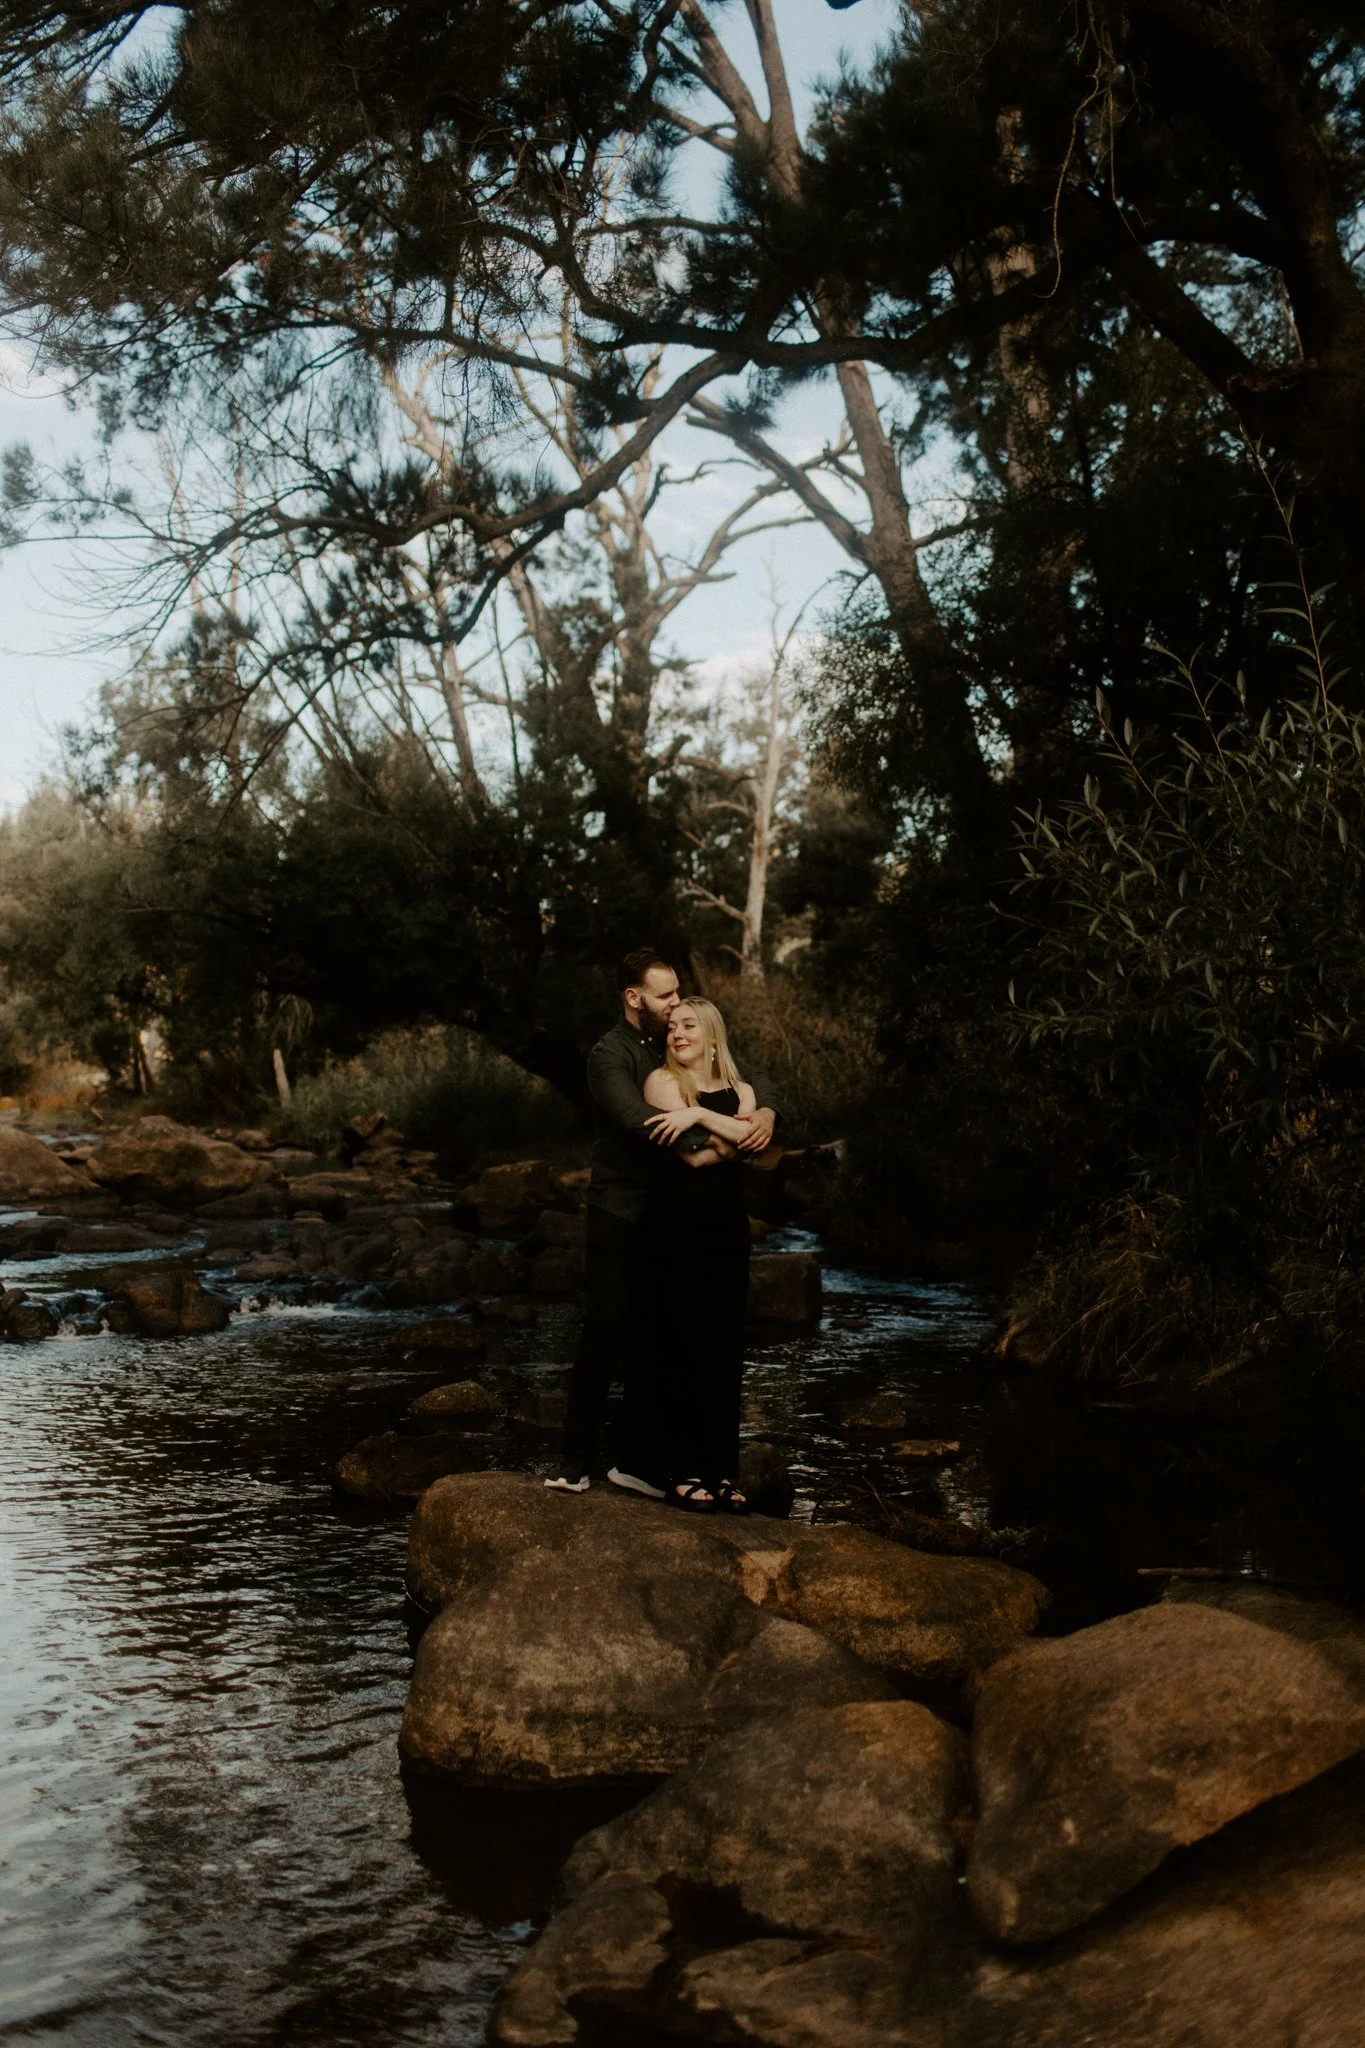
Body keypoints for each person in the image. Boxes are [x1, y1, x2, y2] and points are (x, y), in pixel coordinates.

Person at [546, 949, 777, 1494]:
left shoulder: (672, 1037)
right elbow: (640, 1120)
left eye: (678, 996)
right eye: (665, 996)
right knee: (607, 1323)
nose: (676, 1006)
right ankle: (574, 1463)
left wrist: (767, 1112)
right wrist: (727, 1139)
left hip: (673, 1209)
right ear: (634, 998)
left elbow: (750, 1074)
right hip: (622, 1206)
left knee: (660, 1333)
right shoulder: (609, 1055)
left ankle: (648, 1460)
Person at [640, 998, 757, 1512]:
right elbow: (692, 1154)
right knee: (683, 1343)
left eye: (688, 1025)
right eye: (671, 1027)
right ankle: (681, 1469)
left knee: (724, 1347)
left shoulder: (742, 1090)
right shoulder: (662, 1083)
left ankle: (721, 1471)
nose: (677, 1033)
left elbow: (752, 1141)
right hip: (676, 1228)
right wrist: (726, 1136)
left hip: (728, 1230)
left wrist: (699, 1115)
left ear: (712, 1034)